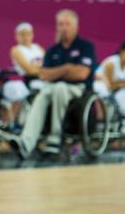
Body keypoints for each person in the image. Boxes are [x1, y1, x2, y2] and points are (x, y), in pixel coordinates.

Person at [7, 10, 96, 159]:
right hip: (53, 87)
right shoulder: (52, 50)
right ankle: (26, 143)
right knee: (43, 93)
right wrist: (67, 69)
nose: (64, 27)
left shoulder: (85, 46)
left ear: (75, 26)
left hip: (79, 88)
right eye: (61, 24)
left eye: (67, 24)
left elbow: (82, 74)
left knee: (58, 88)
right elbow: (44, 74)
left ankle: (54, 139)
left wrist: (58, 72)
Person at [93, 41, 125, 134]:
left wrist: (119, 84)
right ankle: (101, 120)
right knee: (105, 93)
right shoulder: (112, 63)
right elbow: (109, 84)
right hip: (101, 84)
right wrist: (119, 84)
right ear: (122, 51)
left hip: (116, 88)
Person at [3, 22, 45, 131]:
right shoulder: (16, 50)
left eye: (28, 34)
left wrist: (37, 67)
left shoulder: (37, 48)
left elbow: (49, 66)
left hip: (43, 79)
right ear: (17, 36)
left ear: (32, 34)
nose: (26, 37)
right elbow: (29, 70)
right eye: (22, 34)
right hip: (28, 81)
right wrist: (40, 68)